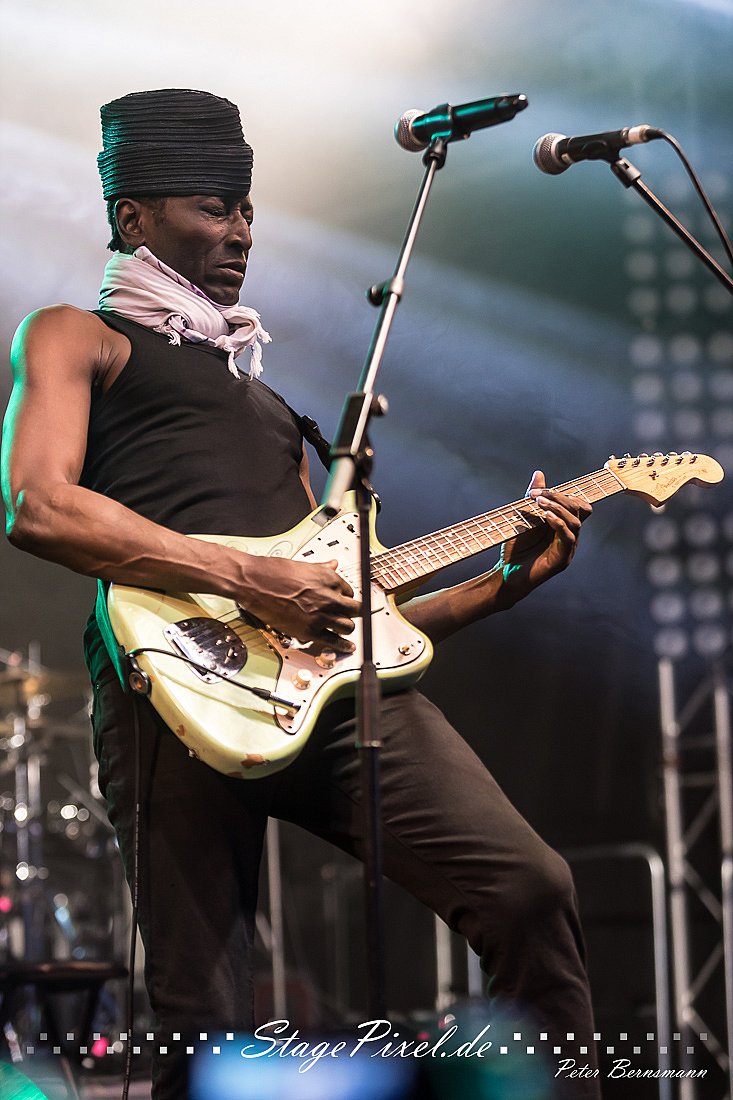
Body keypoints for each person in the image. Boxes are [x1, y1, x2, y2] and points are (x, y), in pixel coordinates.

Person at [2, 89, 599, 1099]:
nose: (241, 231)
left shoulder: (272, 404)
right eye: (213, 207)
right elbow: (38, 505)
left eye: (247, 209)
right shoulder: (76, 335)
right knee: (202, 1014)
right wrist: (248, 576)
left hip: (329, 699)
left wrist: (496, 589)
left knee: (529, 886)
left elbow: (353, 620)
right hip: (171, 682)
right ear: (133, 216)